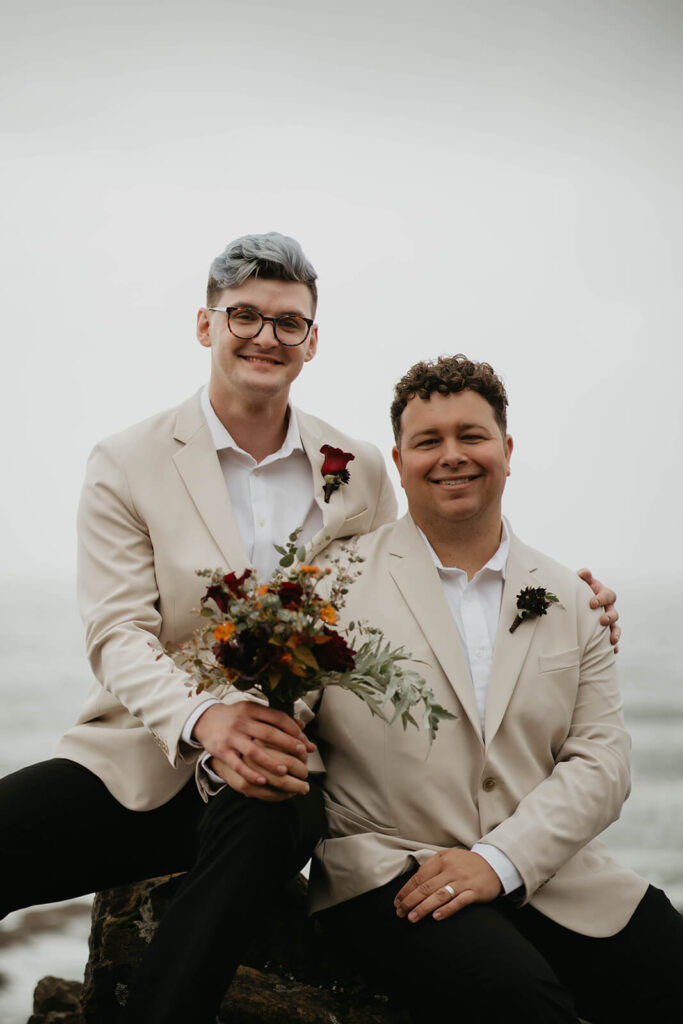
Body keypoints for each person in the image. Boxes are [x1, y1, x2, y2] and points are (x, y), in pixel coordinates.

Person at [0, 240, 617, 1024]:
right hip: (147, 753)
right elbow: (117, 631)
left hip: (296, 770)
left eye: (288, 323)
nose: (265, 337)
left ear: (312, 340)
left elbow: (421, 577)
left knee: (265, 821)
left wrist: (569, 597)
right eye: (244, 317)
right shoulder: (127, 461)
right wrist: (207, 720)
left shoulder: (355, 465)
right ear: (206, 325)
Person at [302, 356, 683, 1024]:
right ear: (398, 461)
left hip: (553, 876)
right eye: (428, 441)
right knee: (524, 1004)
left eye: (470, 436)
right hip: (392, 879)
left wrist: (500, 859)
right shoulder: (329, 584)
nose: (451, 456)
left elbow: (602, 760)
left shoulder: (569, 595)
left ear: (506, 450)